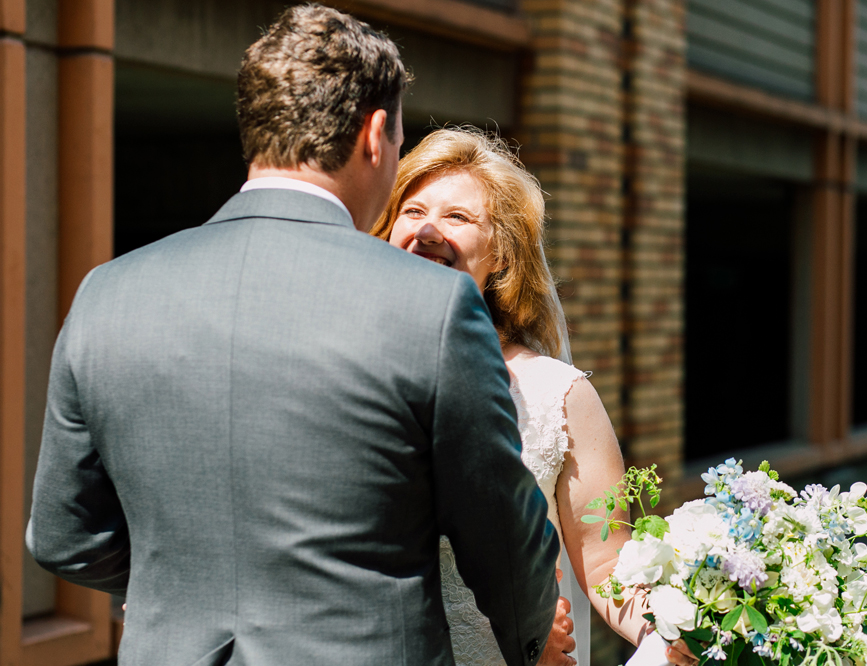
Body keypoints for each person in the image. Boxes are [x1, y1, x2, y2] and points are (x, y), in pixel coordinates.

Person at [26, 6, 561, 665]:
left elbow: (63, 538)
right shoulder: (432, 305)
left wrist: (187, 585)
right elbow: (503, 544)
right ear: (374, 135)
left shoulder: (106, 293)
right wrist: (531, 643)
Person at [371, 127, 697, 666]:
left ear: (500, 253)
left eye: (458, 217)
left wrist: (679, 627)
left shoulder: (558, 395)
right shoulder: (345, 367)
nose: (428, 228)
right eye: (412, 210)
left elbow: (603, 563)